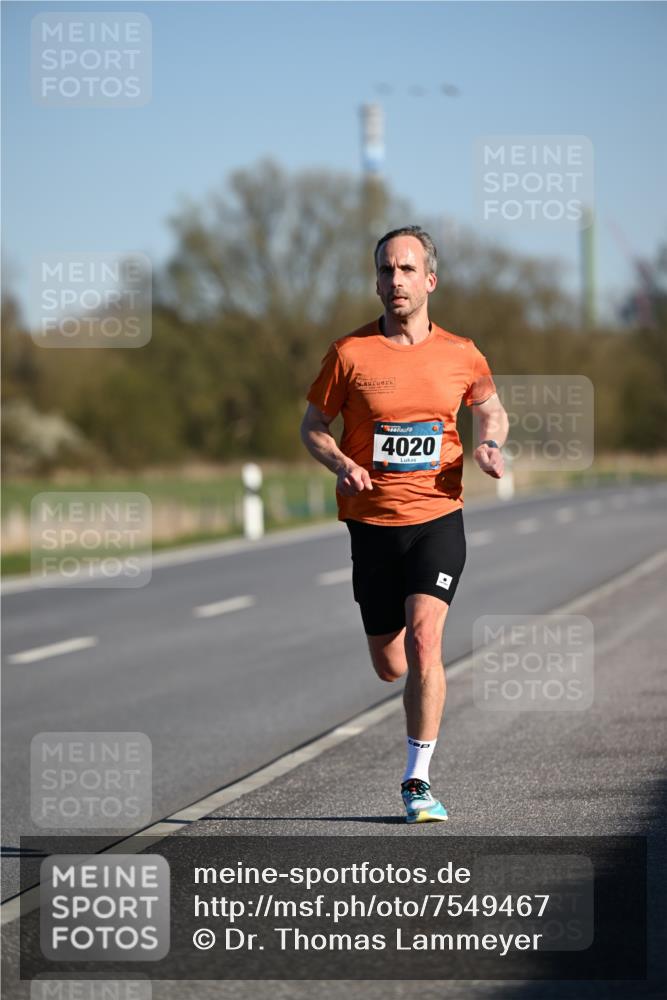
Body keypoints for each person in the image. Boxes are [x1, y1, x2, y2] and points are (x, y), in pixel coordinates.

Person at [300, 226, 508, 823]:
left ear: (430, 280)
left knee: (425, 642)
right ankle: (405, 702)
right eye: (387, 271)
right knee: (390, 662)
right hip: (371, 524)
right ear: (376, 281)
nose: (396, 281)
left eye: (407, 270)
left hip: (437, 517)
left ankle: (417, 780)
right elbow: (312, 426)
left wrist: (489, 445)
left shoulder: (462, 353)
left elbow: (490, 406)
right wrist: (340, 461)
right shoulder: (349, 354)